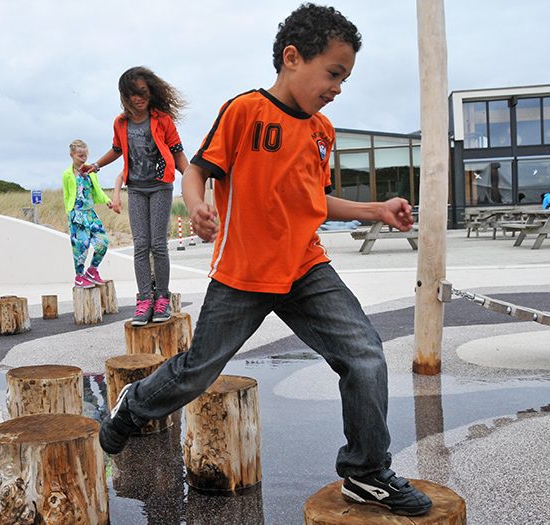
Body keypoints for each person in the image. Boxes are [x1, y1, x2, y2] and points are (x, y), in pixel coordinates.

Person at [98, 4, 433, 517]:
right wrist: (197, 202)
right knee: (197, 372)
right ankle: (132, 406)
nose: (338, 87)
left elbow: (313, 203)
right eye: (334, 73)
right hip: (244, 273)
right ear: (293, 58)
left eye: (345, 78)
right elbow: (198, 171)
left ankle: (366, 473)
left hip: (304, 268)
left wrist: (375, 209)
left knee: (364, 355)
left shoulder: (323, 131)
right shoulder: (246, 111)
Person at [82, 67, 189, 326]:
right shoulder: (121, 123)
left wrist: (193, 182)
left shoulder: (162, 119)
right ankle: (144, 300)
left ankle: (162, 296)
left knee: (158, 245)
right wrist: (96, 165)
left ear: (150, 92)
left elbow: (178, 155)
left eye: (142, 92)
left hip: (161, 187)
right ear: (125, 96)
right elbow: (117, 149)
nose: (138, 99)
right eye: (132, 94)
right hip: (137, 189)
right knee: (141, 245)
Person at [62, 139, 119, 289]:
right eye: (80, 155)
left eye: (85, 155)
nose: (83, 158)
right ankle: (79, 276)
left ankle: (92, 270)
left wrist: (107, 200)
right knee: (81, 247)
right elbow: (67, 195)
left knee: (103, 242)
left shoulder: (91, 171)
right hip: (76, 214)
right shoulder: (67, 174)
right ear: (72, 155)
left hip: (90, 213)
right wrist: (70, 213)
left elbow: (97, 191)